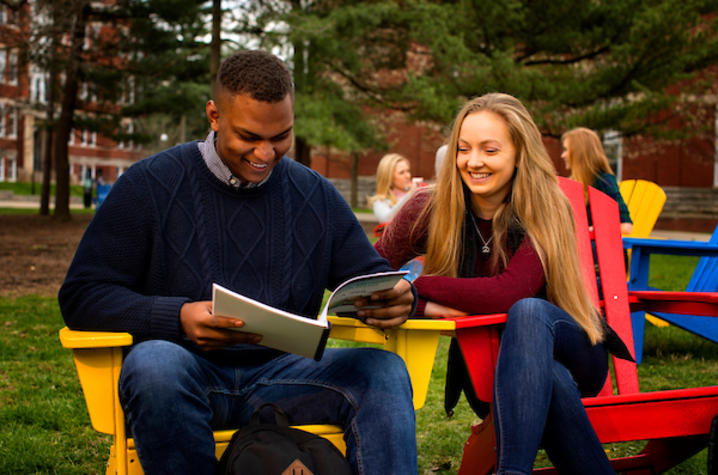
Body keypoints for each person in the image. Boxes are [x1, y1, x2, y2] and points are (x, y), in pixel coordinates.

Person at [59, 49, 417, 475]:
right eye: (249, 137)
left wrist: (397, 296)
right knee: (154, 362)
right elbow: (82, 296)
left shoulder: (314, 194)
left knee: (382, 370)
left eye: (281, 136)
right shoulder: (148, 185)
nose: (265, 153)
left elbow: (367, 274)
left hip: (286, 375)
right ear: (214, 116)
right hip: (185, 374)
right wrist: (178, 317)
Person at [375, 93, 617, 474]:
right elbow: (365, 278)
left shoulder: (545, 205)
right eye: (464, 149)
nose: (473, 162)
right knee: (548, 379)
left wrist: (417, 289)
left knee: (529, 311)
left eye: (490, 150)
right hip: (489, 368)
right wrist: (423, 307)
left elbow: (509, 293)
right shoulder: (427, 208)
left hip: (575, 350)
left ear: (520, 153)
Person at [561, 127, 633, 235]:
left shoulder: (604, 181)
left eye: (566, 150)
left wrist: (588, 230)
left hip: (601, 250)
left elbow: (625, 227)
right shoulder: (571, 185)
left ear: (579, 152)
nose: (563, 155)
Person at [367, 153, 417, 222]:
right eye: (401, 173)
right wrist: (410, 194)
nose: (408, 176)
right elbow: (386, 219)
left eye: (408, 171)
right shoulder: (380, 201)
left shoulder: (416, 195)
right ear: (389, 177)